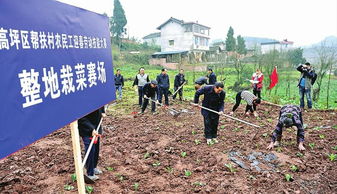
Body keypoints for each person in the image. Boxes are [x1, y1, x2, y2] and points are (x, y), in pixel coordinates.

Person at [78, 107, 106, 181]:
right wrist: (91, 128)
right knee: (90, 150)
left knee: (96, 149)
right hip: (86, 129)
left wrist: (102, 111)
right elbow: (81, 118)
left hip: (96, 126)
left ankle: (93, 167)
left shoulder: (97, 96)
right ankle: (90, 173)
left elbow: (101, 103)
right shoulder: (82, 103)